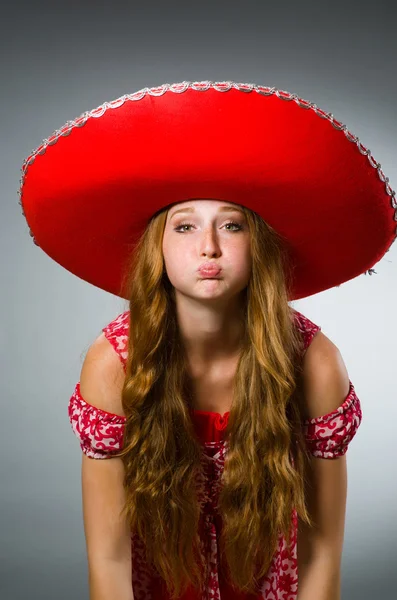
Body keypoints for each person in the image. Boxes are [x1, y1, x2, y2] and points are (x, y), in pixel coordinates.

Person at [18, 80, 395, 600]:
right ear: (158, 248)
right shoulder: (113, 365)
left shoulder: (314, 363)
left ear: (257, 245)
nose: (209, 248)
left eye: (233, 226)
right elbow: (107, 559)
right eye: (185, 226)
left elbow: (323, 553)